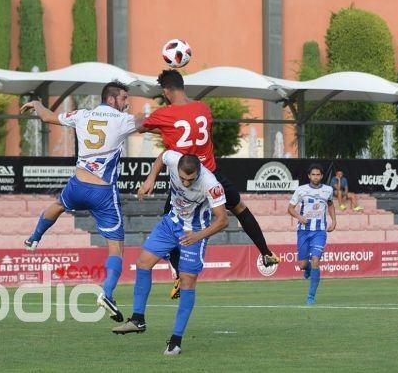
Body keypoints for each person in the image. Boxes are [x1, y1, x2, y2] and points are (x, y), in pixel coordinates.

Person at [139, 69, 278, 299]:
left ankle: (178, 276)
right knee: (239, 208)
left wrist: (143, 119)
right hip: (211, 174)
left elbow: (142, 127)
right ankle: (265, 252)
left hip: (187, 180)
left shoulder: (165, 113)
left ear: (166, 91)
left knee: (171, 223)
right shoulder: (203, 108)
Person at [21, 81, 141, 323]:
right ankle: (107, 293)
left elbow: (47, 117)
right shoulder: (122, 120)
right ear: (111, 99)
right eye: (124, 98)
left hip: (78, 185)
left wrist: (36, 103)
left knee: (58, 205)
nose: (127, 103)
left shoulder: (82, 115)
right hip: (102, 192)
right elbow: (150, 124)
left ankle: (34, 238)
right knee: (116, 247)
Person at [113, 151, 229, 356]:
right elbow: (162, 157)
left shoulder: (211, 183)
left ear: (199, 172)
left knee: (186, 282)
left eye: (190, 179)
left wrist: (198, 236)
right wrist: (150, 178)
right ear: (178, 169)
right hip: (170, 223)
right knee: (143, 263)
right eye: (182, 178)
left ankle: (175, 341)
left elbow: (222, 220)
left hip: (194, 231)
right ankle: (138, 319)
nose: (185, 183)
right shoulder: (173, 159)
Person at [287, 164, 336, 305]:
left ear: (321, 176)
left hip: (319, 231)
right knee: (302, 264)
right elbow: (290, 208)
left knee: (315, 259)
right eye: (313, 174)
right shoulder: (301, 190)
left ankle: (311, 296)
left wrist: (334, 221)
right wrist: (299, 217)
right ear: (309, 176)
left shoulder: (328, 190)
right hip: (303, 231)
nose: (315, 177)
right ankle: (306, 268)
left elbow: (330, 204)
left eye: (318, 174)